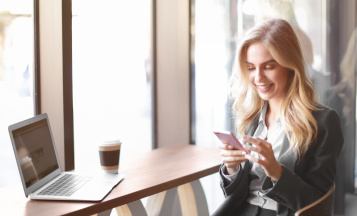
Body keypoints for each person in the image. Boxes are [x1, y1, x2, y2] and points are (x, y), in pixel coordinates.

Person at [213, 19, 344, 216]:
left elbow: (319, 206)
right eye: (250, 67)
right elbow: (235, 196)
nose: (258, 77)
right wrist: (232, 168)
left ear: (290, 66)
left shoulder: (323, 123)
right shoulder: (251, 117)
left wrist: (277, 172)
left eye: (268, 66)